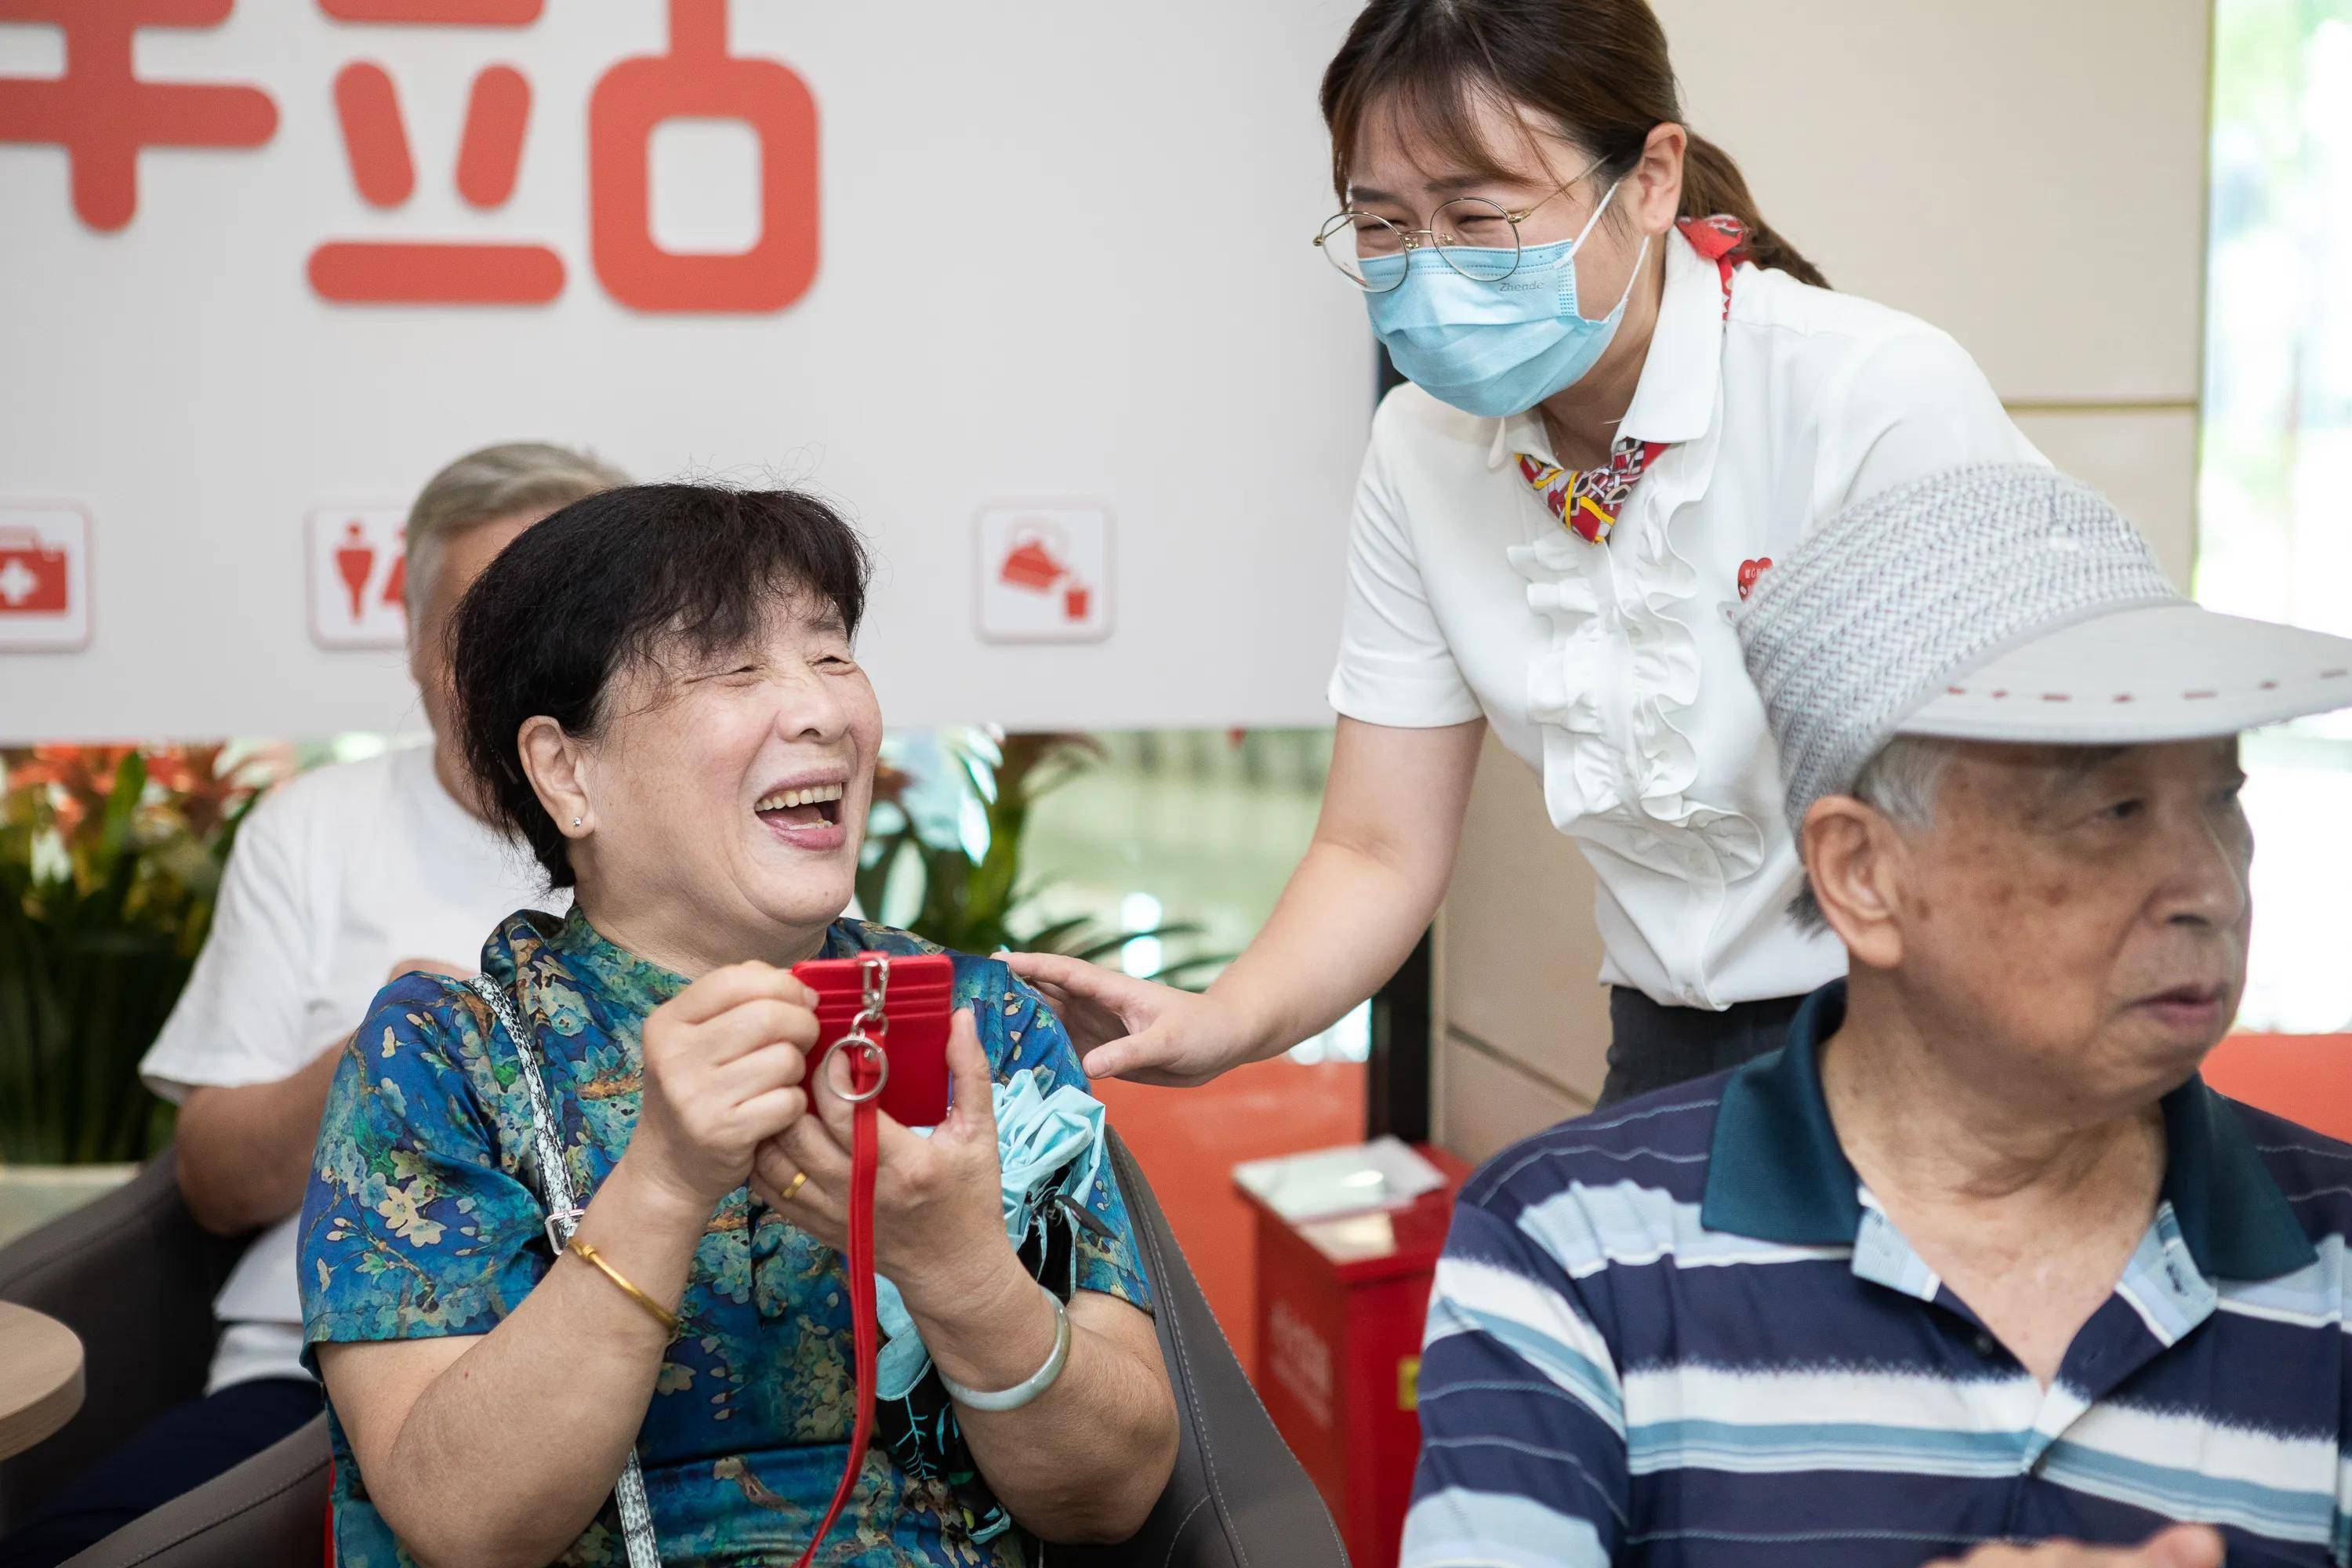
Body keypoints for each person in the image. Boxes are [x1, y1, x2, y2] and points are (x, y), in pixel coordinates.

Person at [1011, 0, 2045, 1108]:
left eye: (1477, 215)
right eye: (1384, 227)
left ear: (1650, 179)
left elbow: (2037, 807)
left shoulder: (1866, 398)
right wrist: (1226, 1019)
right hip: (1668, 1041)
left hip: (1937, 1024)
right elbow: (1376, 850)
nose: (1429, 269)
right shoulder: (1422, 449)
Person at [1401, 463, 2352, 1567]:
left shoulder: (2332, 1255)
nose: (2207, 885)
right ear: (1861, 873)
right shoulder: (1579, 1242)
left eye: (2220, 800)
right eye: (2114, 811)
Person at [297, 483, 1178, 1566]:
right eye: (736, 668)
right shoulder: (445, 1060)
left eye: (829, 654)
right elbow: (460, 1523)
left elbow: (1116, 1496)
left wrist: (959, 1270)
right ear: (568, 773)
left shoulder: (974, 1029)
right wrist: (663, 1180)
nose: (818, 711)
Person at [0, 441, 629, 1568]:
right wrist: (381, 1061)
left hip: (634, 1377)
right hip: (305, 1370)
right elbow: (211, 1181)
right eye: (472, 633)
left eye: (547, 635)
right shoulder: (313, 831)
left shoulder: (700, 834)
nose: (508, 676)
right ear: (413, 648)